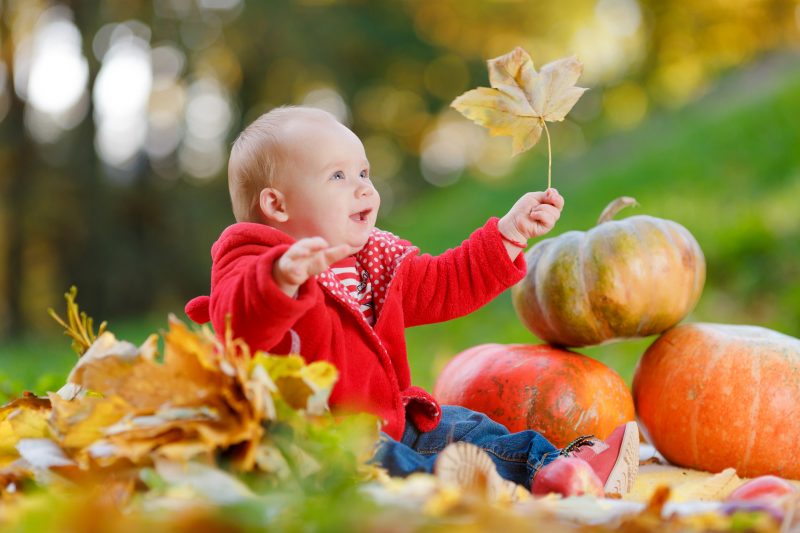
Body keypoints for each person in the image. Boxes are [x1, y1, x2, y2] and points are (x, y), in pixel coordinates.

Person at [185, 105, 639, 493]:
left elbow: (445, 283)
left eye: (364, 172)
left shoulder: (372, 260)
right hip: (316, 442)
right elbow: (237, 321)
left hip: (392, 420)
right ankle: (461, 492)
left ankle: (561, 470)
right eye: (339, 176)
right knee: (389, 465)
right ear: (277, 206)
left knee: (468, 427)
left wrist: (509, 235)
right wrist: (281, 277)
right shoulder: (250, 258)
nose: (363, 187)